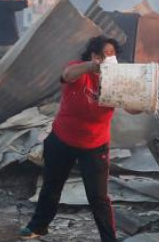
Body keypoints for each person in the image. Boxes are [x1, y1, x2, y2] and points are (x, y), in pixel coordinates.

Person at [19, 36, 139, 242]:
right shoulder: (79, 69)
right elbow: (67, 74)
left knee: (98, 198)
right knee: (51, 187)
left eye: (113, 54)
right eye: (107, 54)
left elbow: (131, 108)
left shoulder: (116, 80)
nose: (112, 58)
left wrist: (143, 102)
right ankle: (38, 227)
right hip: (62, 139)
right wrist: (91, 67)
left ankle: (109, 239)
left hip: (94, 145)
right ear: (94, 55)